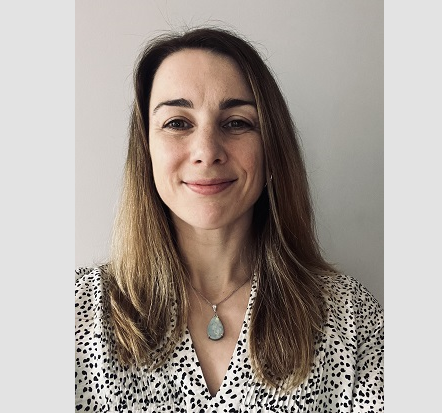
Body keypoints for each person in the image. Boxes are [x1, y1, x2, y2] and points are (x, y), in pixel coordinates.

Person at [75, 26, 383, 412]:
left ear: (271, 147)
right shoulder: (79, 313)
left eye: (236, 122)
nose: (207, 151)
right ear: (146, 150)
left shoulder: (350, 318)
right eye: (177, 123)